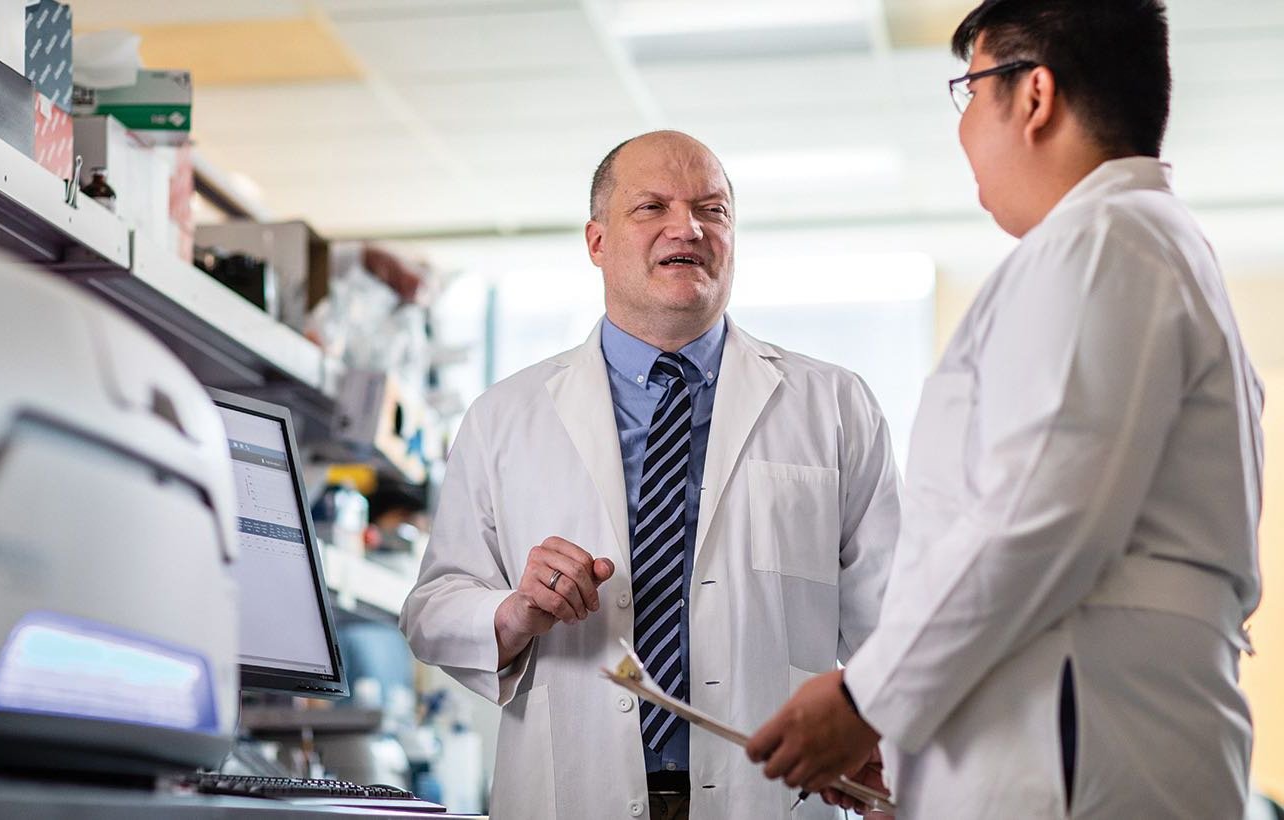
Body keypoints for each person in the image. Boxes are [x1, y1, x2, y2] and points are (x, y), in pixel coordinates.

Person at [746, 2, 1264, 818]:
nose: (961, 135)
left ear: (1034, 96)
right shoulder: (1141, 243)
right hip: (1085, 736)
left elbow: (1040, 517)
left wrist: (865, 700)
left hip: (1080, 751)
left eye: (969, 88)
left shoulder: (1104, 242)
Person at [402, 130, 901, 820]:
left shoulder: (835, 405)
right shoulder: (504, 417)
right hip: (571, 793)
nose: (687, 228)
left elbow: (898, 626)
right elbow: (431, 609)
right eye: (651, 208)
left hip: (773, 799)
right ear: (597, 241)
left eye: (713, 209)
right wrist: (512, 612)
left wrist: (896, 764)